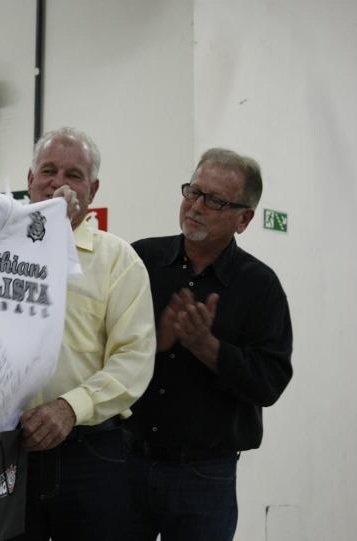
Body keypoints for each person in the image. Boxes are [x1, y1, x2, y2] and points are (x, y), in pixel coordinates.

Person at [125, 148, 293, 541]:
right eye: (194, 191)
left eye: (215, 200)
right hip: (126, 460)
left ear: (244, 219)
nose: (196, 206)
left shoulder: (260, 286)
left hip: (205, 476)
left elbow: (270, 382)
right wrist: (158, 342)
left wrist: (208, 348)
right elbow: (102, 349)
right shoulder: (140, 259)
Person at [15, 127, 157, 540]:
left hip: (90, 453)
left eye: (73, 175)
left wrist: (70, 407)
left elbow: (134, 359)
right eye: (48, 171)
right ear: (30, 180)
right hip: (6, 450)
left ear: (92, 190)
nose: (58, 183)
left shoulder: (119, 261)